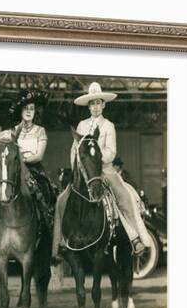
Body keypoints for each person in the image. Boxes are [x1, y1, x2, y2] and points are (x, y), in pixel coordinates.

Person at [51, 82, 150, 259]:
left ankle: (134, 237)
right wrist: (78, 168)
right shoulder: (81, 125)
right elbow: (74, 149)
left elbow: (111, 152)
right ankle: (60, 242)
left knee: (120, 197)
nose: (95, 107)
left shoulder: (108, 126)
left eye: (98, 103)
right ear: (88, 106)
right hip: (83, 172)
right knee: (61, 199)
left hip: (105, 170)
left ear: (103, 105)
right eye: (92, 103)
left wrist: (95, 160)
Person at [9, 90, 57, 231]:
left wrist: (23, 159)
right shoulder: (14, 130)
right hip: (16, 169)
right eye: (26, 108)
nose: (29, 111)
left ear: (36, 111)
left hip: (34, 169)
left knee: (44, 190)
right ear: (21, 111)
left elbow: (39, 156)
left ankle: (46, 221)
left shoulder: (40, 131)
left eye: (32, 108)